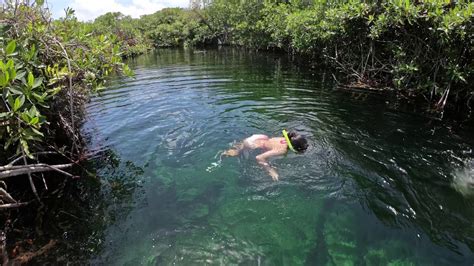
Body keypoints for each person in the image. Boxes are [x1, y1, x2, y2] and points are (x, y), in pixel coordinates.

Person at [223, 130, 308, 181]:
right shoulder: (282, 150)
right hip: (251, 143)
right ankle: (225, 153)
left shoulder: (286, 139)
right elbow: (259, 157)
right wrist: (271, 171)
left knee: (242, 146)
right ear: (294, 148)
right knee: (238, 152)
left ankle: (237, 147)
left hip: (260, 137)